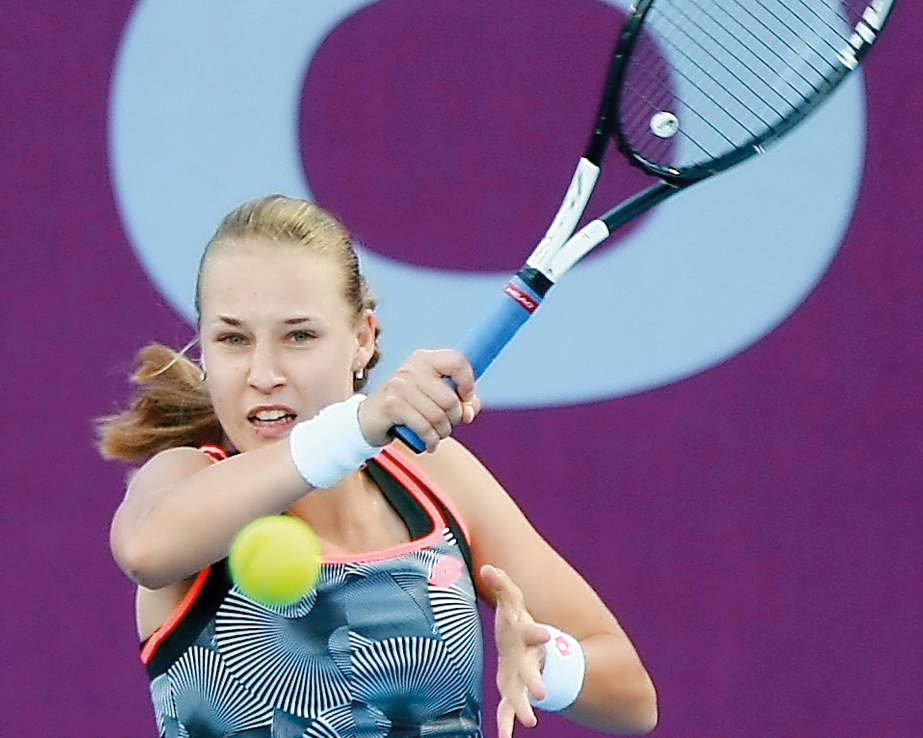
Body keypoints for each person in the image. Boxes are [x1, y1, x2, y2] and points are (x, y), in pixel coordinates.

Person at [99, 195, 657, 738]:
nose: (263, 372)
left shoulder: (436, 479)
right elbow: (146, 551)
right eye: (232, 339)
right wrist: (360, 425)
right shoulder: (182, 480)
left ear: (362, 339)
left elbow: (633, 699)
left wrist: (550, 663)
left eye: (299, 335)